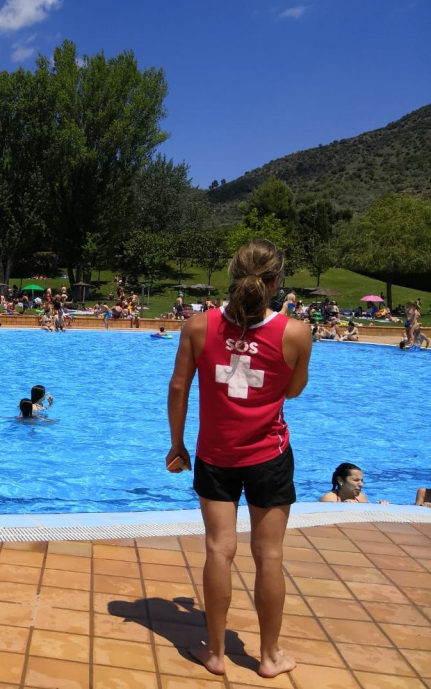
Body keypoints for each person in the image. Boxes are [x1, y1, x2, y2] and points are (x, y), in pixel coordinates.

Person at [166, 239, 311, 679]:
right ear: (275, 282)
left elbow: (178, 389)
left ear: (233, 276)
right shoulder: (295, 332)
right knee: (269, 556)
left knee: (218, 550)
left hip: (216, 455)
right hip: (269, 455)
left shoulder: (198, 325)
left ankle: (214, 653)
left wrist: (177, 445)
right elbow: (292, 391)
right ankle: (268, 657)